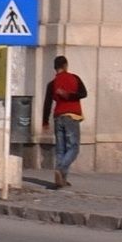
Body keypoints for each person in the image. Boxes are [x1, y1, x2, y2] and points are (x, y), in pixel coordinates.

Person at [44, 53, 87, 187]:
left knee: (60, 149)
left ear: (55, 68)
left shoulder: (51, 84)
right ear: (65, 66)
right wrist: (69, 95)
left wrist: (45, 121)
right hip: (71, 116)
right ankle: (61, 169)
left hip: (58, 117)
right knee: (73, 148)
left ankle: (61, 180)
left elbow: (47, 103)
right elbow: (83, 94)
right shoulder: (74, 78)